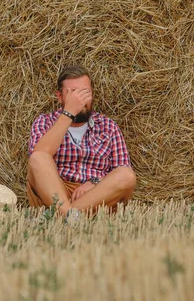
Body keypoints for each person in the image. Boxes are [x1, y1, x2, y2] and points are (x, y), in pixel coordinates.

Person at [27, 65, 136, 219]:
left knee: (127, 175)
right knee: (38, 157)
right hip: (55, 193)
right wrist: (69, 113)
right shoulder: (45, 121)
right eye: (72, 92)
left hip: (96, 196)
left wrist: (96, 181)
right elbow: (38, 158)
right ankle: (69, 215)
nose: (79, 99)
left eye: (85, 92)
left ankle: (61, 216)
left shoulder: (108, 126)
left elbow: (121, 170)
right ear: (59, 96)